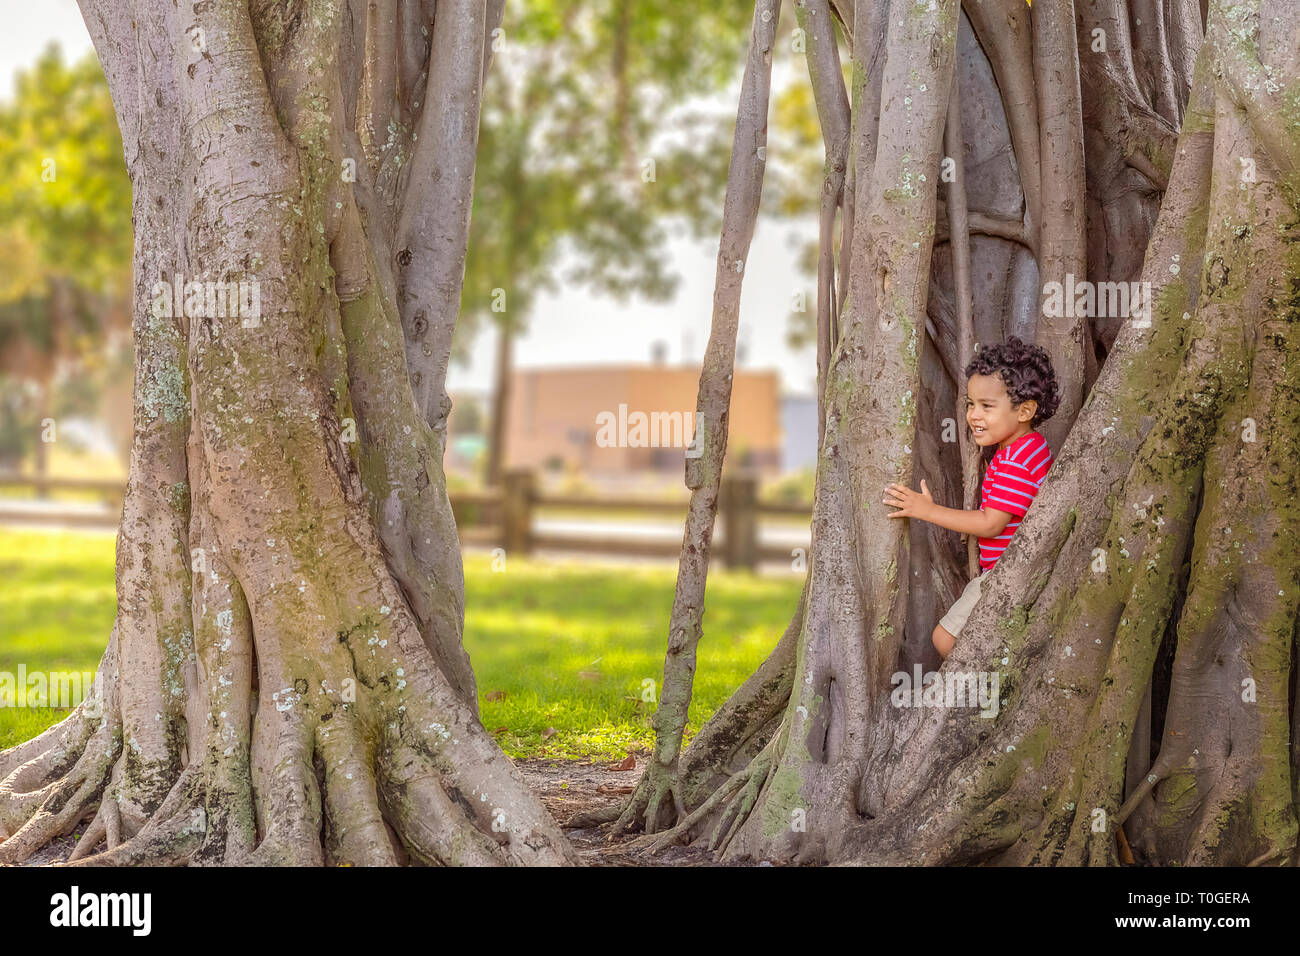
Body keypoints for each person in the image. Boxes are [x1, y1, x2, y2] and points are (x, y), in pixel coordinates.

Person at [882, 336, 1059, 659]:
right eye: (970, 404)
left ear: (1025, 410)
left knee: (945, 640)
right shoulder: (1031, 447)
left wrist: (927, 510)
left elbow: (991, 523)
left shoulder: (1015, 461)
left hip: (1005, 573)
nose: (974, 415)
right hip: (1014, 570)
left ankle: (989, 696)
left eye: (987, 406)